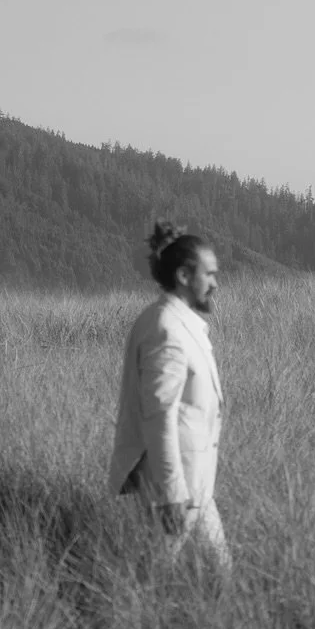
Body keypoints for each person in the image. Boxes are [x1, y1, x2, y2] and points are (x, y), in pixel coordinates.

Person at [108, 222, 231, 573]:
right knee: (155, 578)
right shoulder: (167, 330)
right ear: (183, 275)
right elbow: (159, 416)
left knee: (219, 574)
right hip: (177, 485)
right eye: (208, 274)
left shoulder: (177, 323)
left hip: (196, 485)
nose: (215, 283)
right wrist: (172, 494)